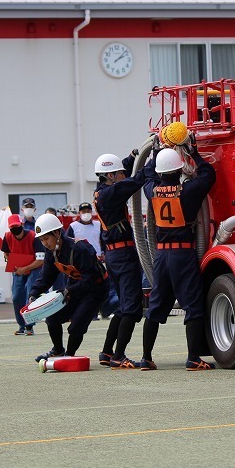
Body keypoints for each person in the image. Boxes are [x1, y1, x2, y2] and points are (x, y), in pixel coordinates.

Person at [142, 126, 217, 371]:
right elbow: (208, 174)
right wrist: (192, 152)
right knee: (193, 306)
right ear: (178, 169)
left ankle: (146, 357)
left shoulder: (152, 191)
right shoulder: (188, 191)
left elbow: (148, 174)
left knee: (155, 308)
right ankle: (193, 357)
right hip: (183, 254)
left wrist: (157, 151)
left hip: (161, 256)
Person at [29, 213, 109, 362]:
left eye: (46, 238)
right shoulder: (51, 252)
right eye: (41, 240)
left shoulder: (80, 248)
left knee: (76, 326)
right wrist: (33, 293)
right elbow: (46, 276)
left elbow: (90, 279)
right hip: (75, 287)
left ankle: (68, 356)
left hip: (96, 289)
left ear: (57, 233)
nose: (44, 243)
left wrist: (69, 290)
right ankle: (58, 351)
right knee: (52, 319)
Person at [93, 150, 148, 369]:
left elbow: (122, 173)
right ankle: (119, 355)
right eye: (119, 172)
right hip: (123, 256)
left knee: (123, 308)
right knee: (132, 308)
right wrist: (154, 164)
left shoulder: (102, 190)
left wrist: (133, 156)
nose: (122, 174)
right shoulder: (111, 193)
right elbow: (135, 181)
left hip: (115, 255)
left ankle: (107, 353)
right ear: (111, 175)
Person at [68, 202, 117, 321]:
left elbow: (104, 240)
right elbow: (69, 243)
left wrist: (104, 253)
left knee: (100, 285)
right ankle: (88, 312)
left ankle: (101, 309)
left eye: (88, 211)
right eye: (83, 211)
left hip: (97, 260)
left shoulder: (98, 225)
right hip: (80, 262)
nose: (86, 213)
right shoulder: (73, 226)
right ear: (79, 213)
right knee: (85, 286)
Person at [1, 214, 44, 335]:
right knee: (16, 296)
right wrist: (13, 263)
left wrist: (25, 268)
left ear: (22, 225)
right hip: (18, 269)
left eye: (17, 226)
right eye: (12, 227)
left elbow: (40, 260)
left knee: (29, 293)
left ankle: (29, 326)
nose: (15, 230)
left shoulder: (33, 236)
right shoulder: (7, 236)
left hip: (34, 268)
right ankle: (21, 325)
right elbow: (6, 253)